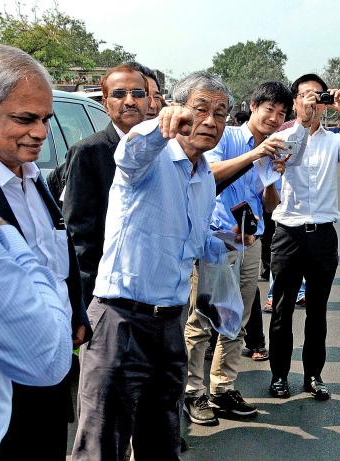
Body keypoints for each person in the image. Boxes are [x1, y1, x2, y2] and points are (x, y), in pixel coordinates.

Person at [72, 72, 242, 461]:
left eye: (220, 113)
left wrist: (227, 241)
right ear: (178, 110)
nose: (211, 121)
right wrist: (158, 124)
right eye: (200, 109)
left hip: (169, 327)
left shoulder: (203, 180)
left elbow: (190, 243)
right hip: (120, 322)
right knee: (102, 446)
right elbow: (130, 153)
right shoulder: (149, 158)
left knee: (162, 441)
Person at [0, 40, 80, 460]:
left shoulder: (35, 176)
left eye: (46, 118)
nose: (41, 132)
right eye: (25, 118)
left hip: (52, 372)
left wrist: (75, 313)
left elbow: (59, 250)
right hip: (0, 397)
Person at [182, 81, 305, 425]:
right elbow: (209, 176)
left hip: (251, 242)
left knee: (237, 319)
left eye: (281, 114)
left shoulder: (273, 148)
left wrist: (271, 176)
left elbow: (271, 205)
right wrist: (255, 155)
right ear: (253, 106)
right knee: (204, 319)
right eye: (269, 110)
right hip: (218, 239)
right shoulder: (228, 136)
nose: (274, 118)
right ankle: (193, 392)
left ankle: (223, 388)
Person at [267, 73, 340, 400]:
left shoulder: (335, 141)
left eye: (318, 97)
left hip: (323, 237)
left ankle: (313, 376)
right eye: (305, 96)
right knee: (282, 310)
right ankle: (279, 376)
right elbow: (291, 157)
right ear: (295, 102)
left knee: (317, 311)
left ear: (326, 105)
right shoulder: (285, 136)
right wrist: (302, 121)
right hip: (288, 235)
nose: (312, 101)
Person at [61, 63, 149, 306]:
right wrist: (86, 300)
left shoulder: (165, 150)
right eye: (119, 94)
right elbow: (80, 235)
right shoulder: (88, 152)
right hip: (107, 294)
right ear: (105, 103)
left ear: (149, 100)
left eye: (138, 94)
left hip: (155, 292)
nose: (130, 101)